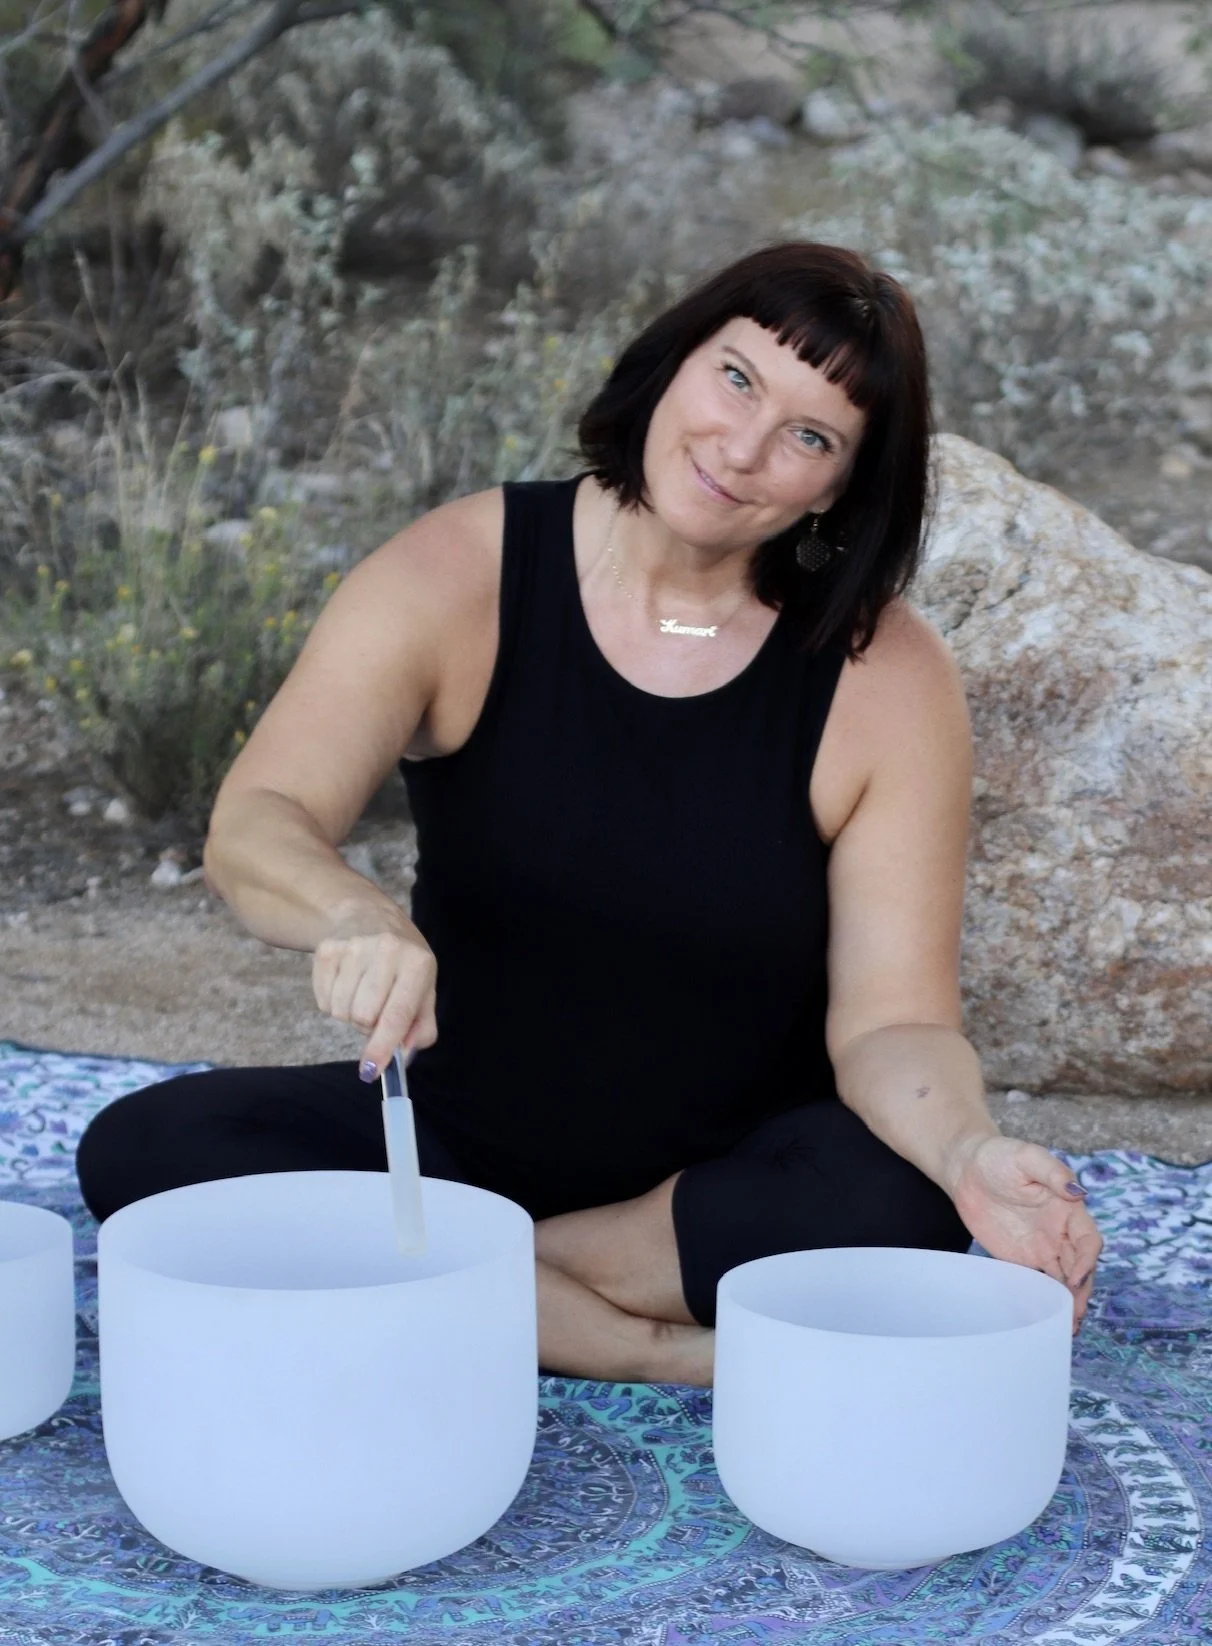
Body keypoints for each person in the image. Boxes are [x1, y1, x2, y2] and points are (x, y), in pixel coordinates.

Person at [76, 242, 1102, 1387]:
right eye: (738, 378)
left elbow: (892, 1023)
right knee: (148, 1150)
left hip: (718, 1185)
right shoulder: (459, 571)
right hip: (455, 1144)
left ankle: (456, 1284)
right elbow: (257, 819)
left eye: (812, 436)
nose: (744, 446)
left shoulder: (886, 679)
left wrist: (970, 1152)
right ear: (672, 362)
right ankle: (656, 1351)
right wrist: (350, 913)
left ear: (842, 488)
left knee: (898, 1199)